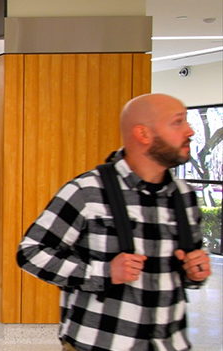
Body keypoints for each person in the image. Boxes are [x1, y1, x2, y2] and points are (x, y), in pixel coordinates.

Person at [16, 93, 211, 351]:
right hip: (99, 343)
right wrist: (103, 272)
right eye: (178, 122)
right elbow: (30, 252)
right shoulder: (88, 190)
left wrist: (195, 272)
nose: (190, 131)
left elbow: (185, 269)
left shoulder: (184, 196)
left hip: (169, 343)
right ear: (143, 134)